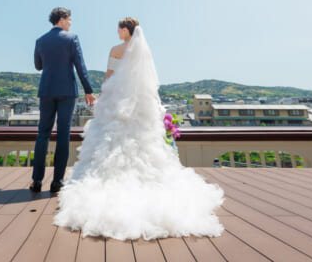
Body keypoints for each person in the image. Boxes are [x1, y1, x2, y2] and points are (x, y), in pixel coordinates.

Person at [54, 17, 224, 240]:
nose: (117, 31)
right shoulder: (144, 51)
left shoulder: (116, 49)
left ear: (125, 30)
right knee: (144, 143)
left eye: (118, 28)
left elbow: (109, 75)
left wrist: (102, 95)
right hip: (140, 104)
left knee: (111, 142)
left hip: (117, 102)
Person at [30, 7, 96, 193]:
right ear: (61, 19)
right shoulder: (72, 38)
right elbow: (80, 66)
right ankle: (57, 181)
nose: (70, 23)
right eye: (69, 19)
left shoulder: (40, 40)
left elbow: (38, 66)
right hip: (66, 91)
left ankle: (36, 180)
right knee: (63, 134)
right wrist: (88, 90)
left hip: (46, 90)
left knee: (43, 134)